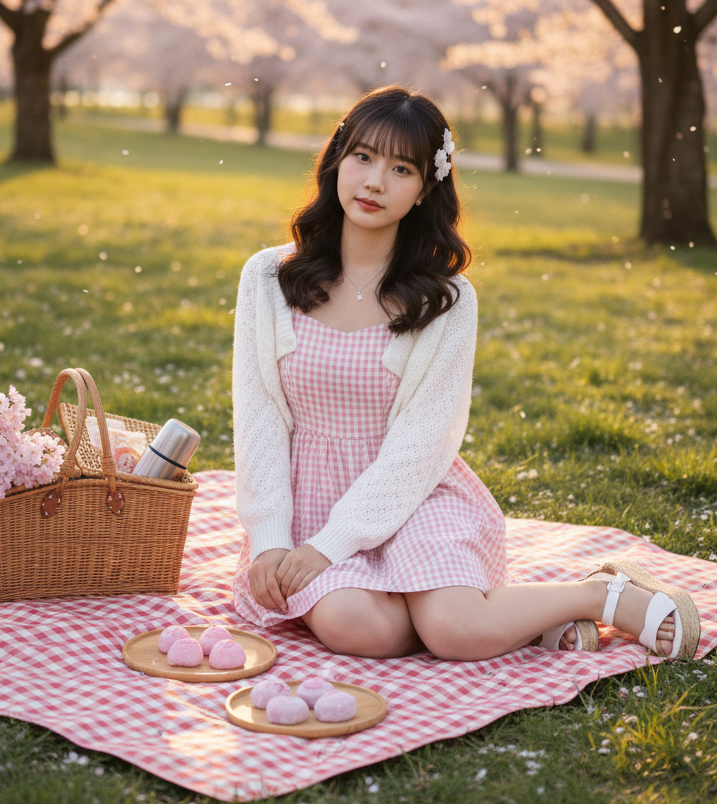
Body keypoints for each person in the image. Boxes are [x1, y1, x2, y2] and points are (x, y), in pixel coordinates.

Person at [230, 86, 699, 662]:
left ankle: (600, 594)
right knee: (364, 630)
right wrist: (272, 541)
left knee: (455, 633)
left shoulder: (447, 299)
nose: (375, 181)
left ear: (427, 188)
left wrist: (336, 545)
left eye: (401, 168)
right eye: (363, 157)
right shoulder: (268, 278)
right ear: (336, 163)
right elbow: (259, 418)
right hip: (309, 499)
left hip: (413, 492)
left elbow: (424, 442)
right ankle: (519, 618)